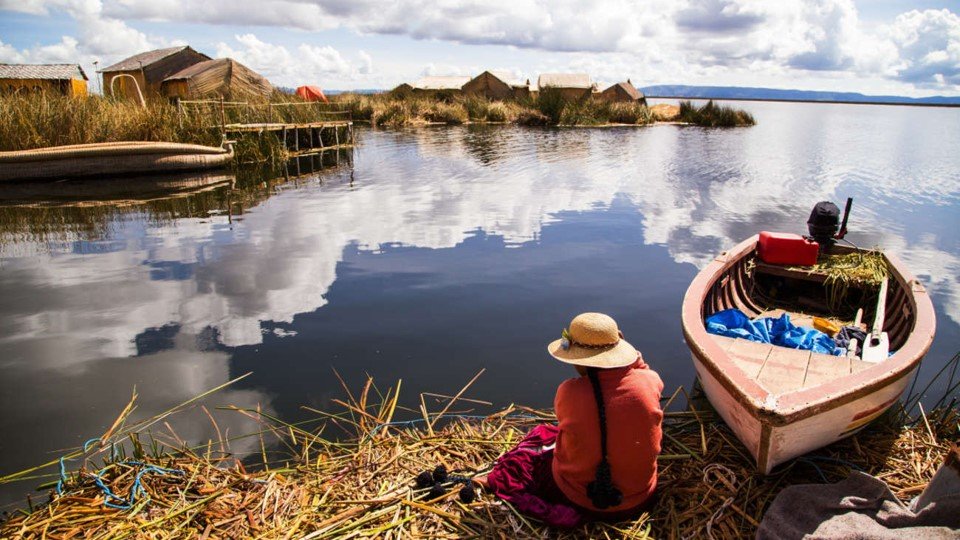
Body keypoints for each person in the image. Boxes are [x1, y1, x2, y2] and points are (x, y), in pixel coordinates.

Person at [484, 312, 664, 527]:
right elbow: (641, 372)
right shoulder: (650, 381)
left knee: (533, 451)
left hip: (577, 499)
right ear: (618, 350)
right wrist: (630, 354)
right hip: (640, 499)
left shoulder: (569, 391)